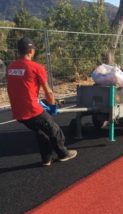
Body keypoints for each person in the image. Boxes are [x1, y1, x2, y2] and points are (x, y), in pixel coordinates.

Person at [6, 37, 77, 166]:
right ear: (31, 51)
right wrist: (53, 105)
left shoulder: (10, 67)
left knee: (41, 133)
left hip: (17, 111)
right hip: (32, 109)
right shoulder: (36, 67)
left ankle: (46, 159)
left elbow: (17, 87)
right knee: (54, 129)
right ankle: (63, 154)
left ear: (19, 51)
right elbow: (48, 91)